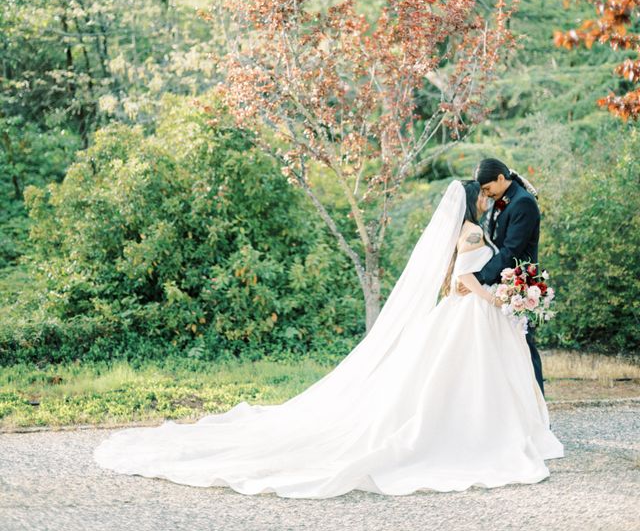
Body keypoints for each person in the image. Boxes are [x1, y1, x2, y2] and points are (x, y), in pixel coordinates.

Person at [94, 179, 563, 498]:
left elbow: (456, 277)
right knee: (463, 378)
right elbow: (467, 280)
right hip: (470, 312)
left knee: (456, 378)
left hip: (466, 315)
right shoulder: (471, 232)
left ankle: (486, 426)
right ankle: (483, 433)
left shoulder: (463, 232)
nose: (485, 201)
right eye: (479, 196)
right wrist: (492, 294)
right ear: (469, 202)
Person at [461, 158, 545, 393]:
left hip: (518, 285)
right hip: (498, 284)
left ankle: (537, 414)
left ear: (500, 178)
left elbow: (511, 250)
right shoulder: (502, 200)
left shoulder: (523, 203)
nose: (485, 195)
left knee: (524, 348)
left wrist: (478, 278)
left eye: (487, 188)